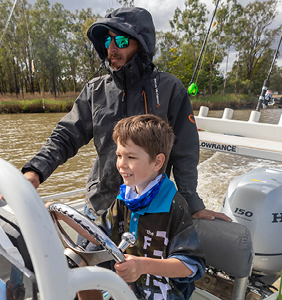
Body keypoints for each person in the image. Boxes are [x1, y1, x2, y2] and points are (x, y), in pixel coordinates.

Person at [20, 7, 230, 222]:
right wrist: (35, 171)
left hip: (151, 208)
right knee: (87, 255)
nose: (112, 48)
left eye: (121, 41)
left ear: (141, 44)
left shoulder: (170, 88)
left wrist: (192, 203)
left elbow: (185, 151)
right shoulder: (95, 90)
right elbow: (65, 137)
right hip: (101, 206)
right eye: (107, 42)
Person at [73, 114, 206, 300]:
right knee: (81, 272)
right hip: (127, 289)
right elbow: (99, 235)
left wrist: (143, 266)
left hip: (163, 294)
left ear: (158, 162)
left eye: (131, 157)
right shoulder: (124, 197)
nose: (121, 164)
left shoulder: (174, 205)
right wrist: (62, 216)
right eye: (119, 155)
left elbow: (190, 266)